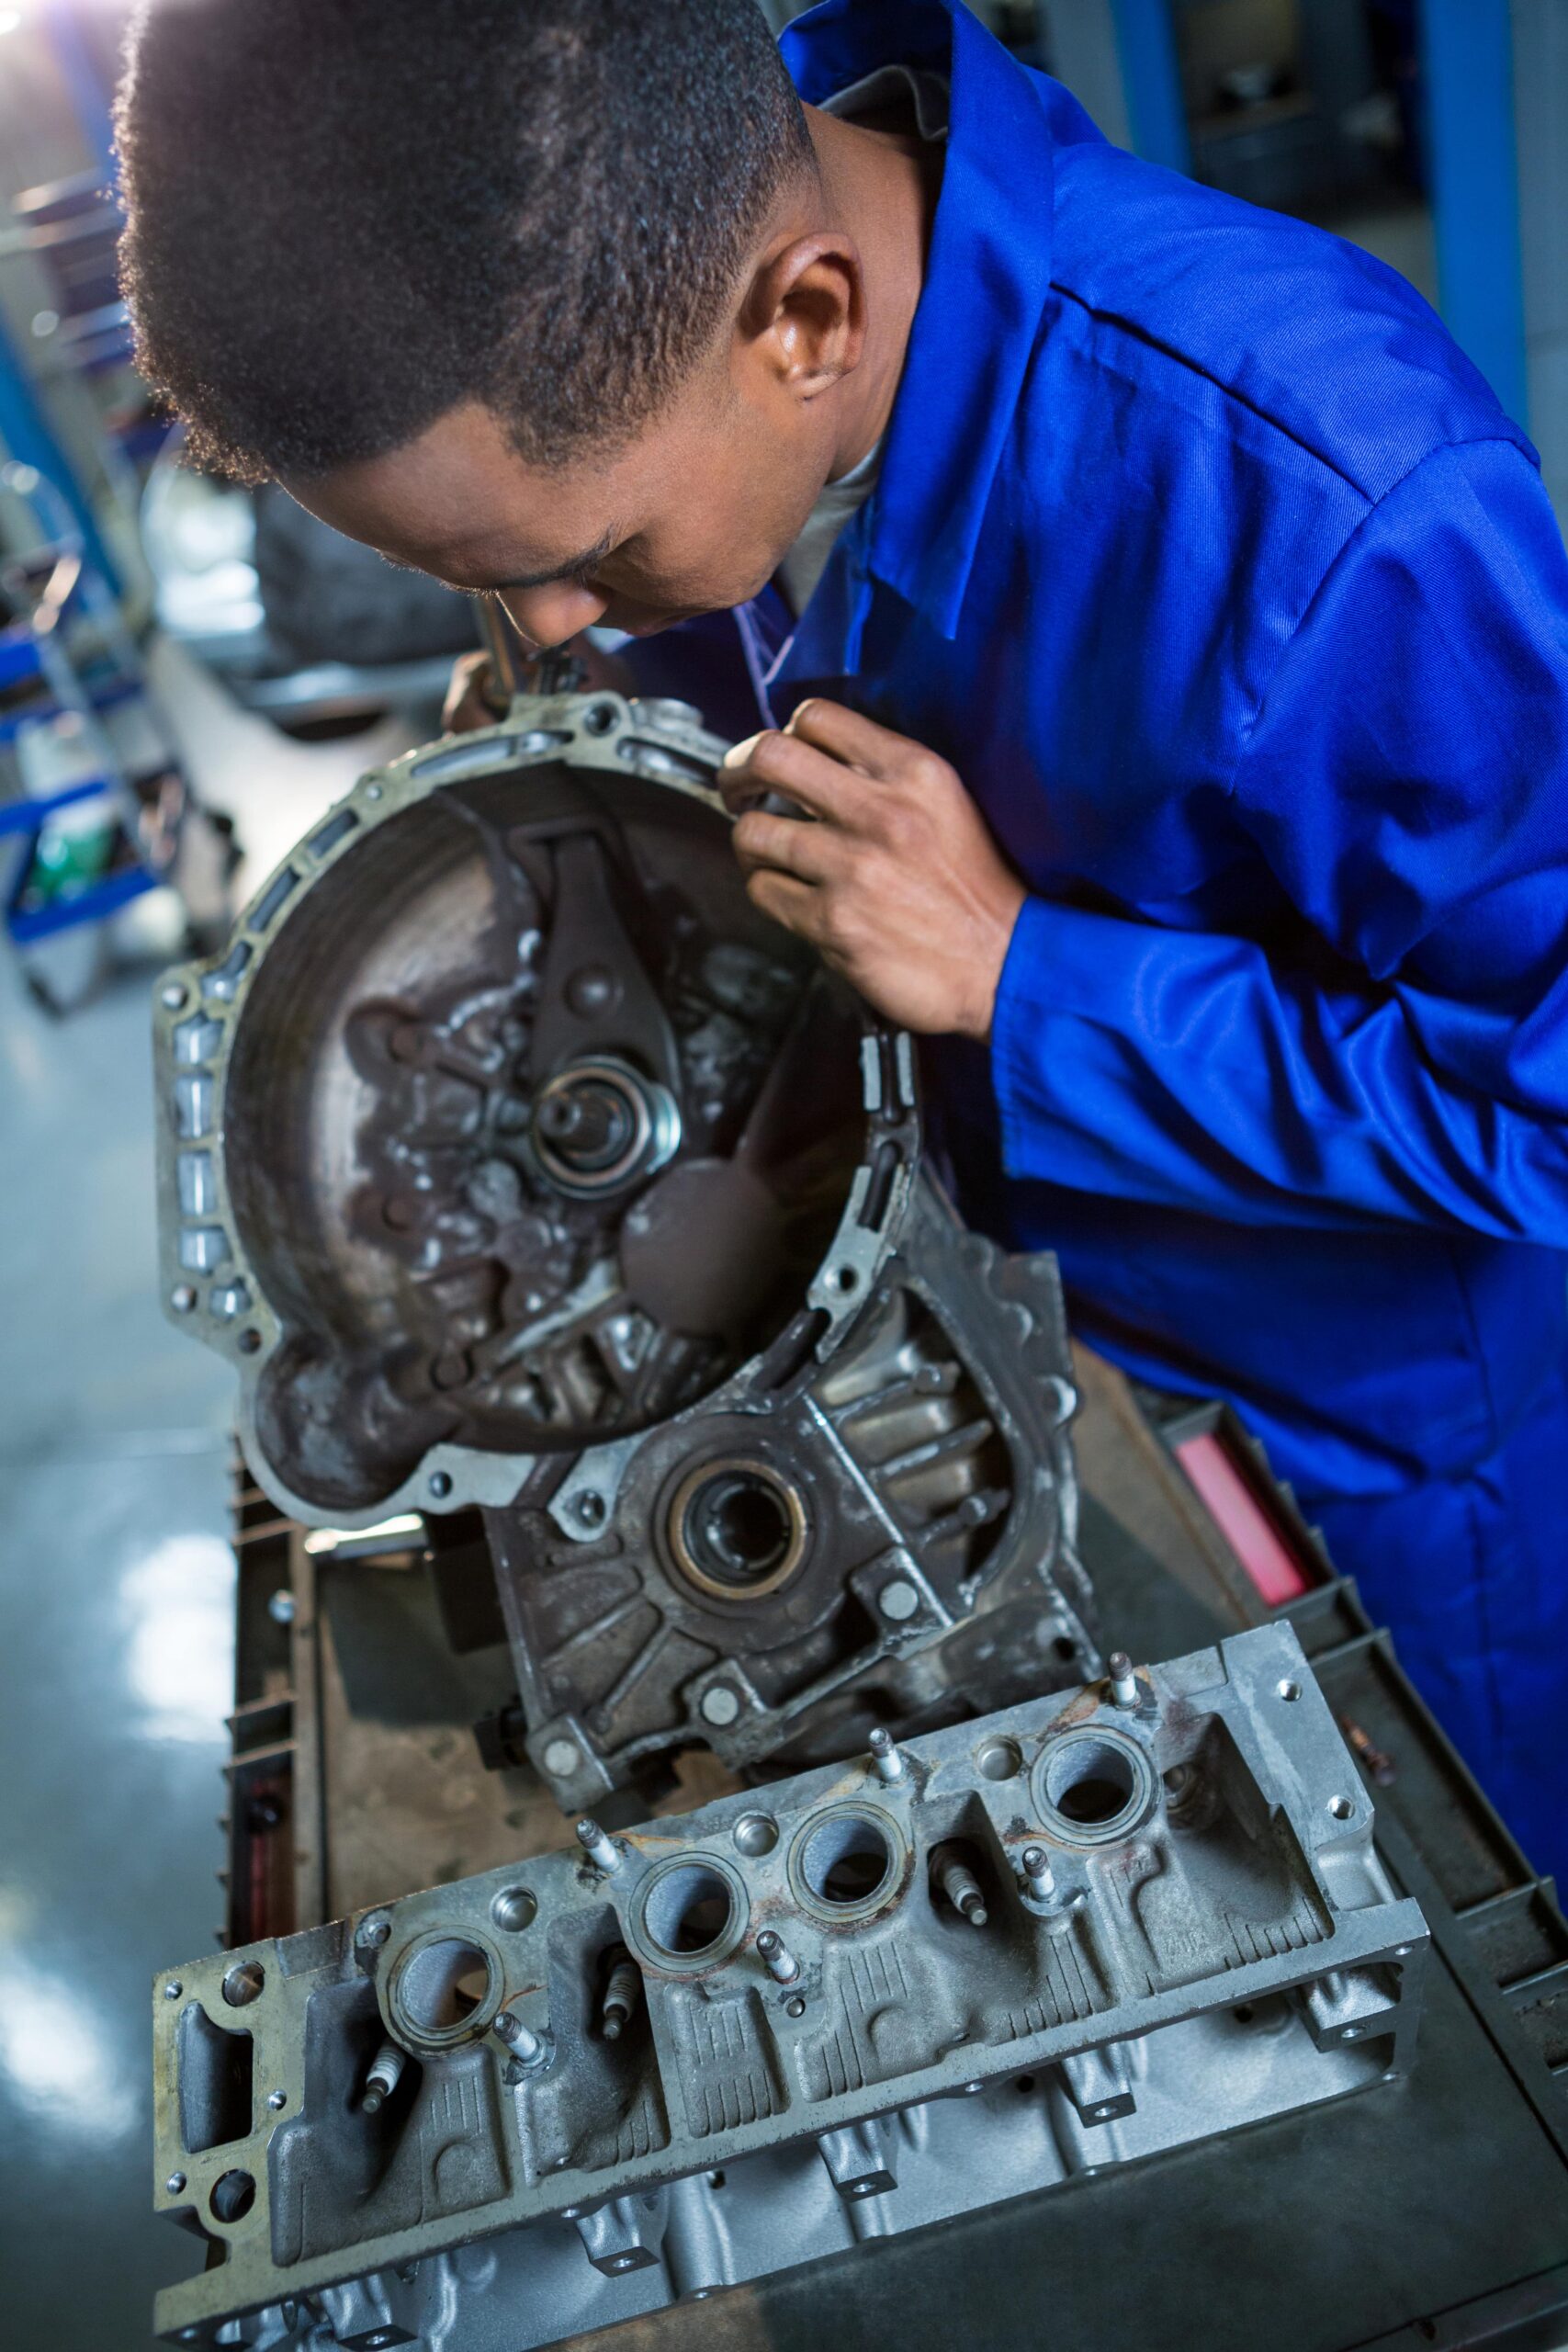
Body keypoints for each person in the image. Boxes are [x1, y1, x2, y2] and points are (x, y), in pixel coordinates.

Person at [118, 0, 1568, 1883]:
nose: (549, 630)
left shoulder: (1325, 506)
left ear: (804, 320)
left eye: (581, 559)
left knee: (1442, 1883)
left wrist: (1020, 977)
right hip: (1009, 1346)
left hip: (1359, 1433)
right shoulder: (647, 243)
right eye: (472, 577)